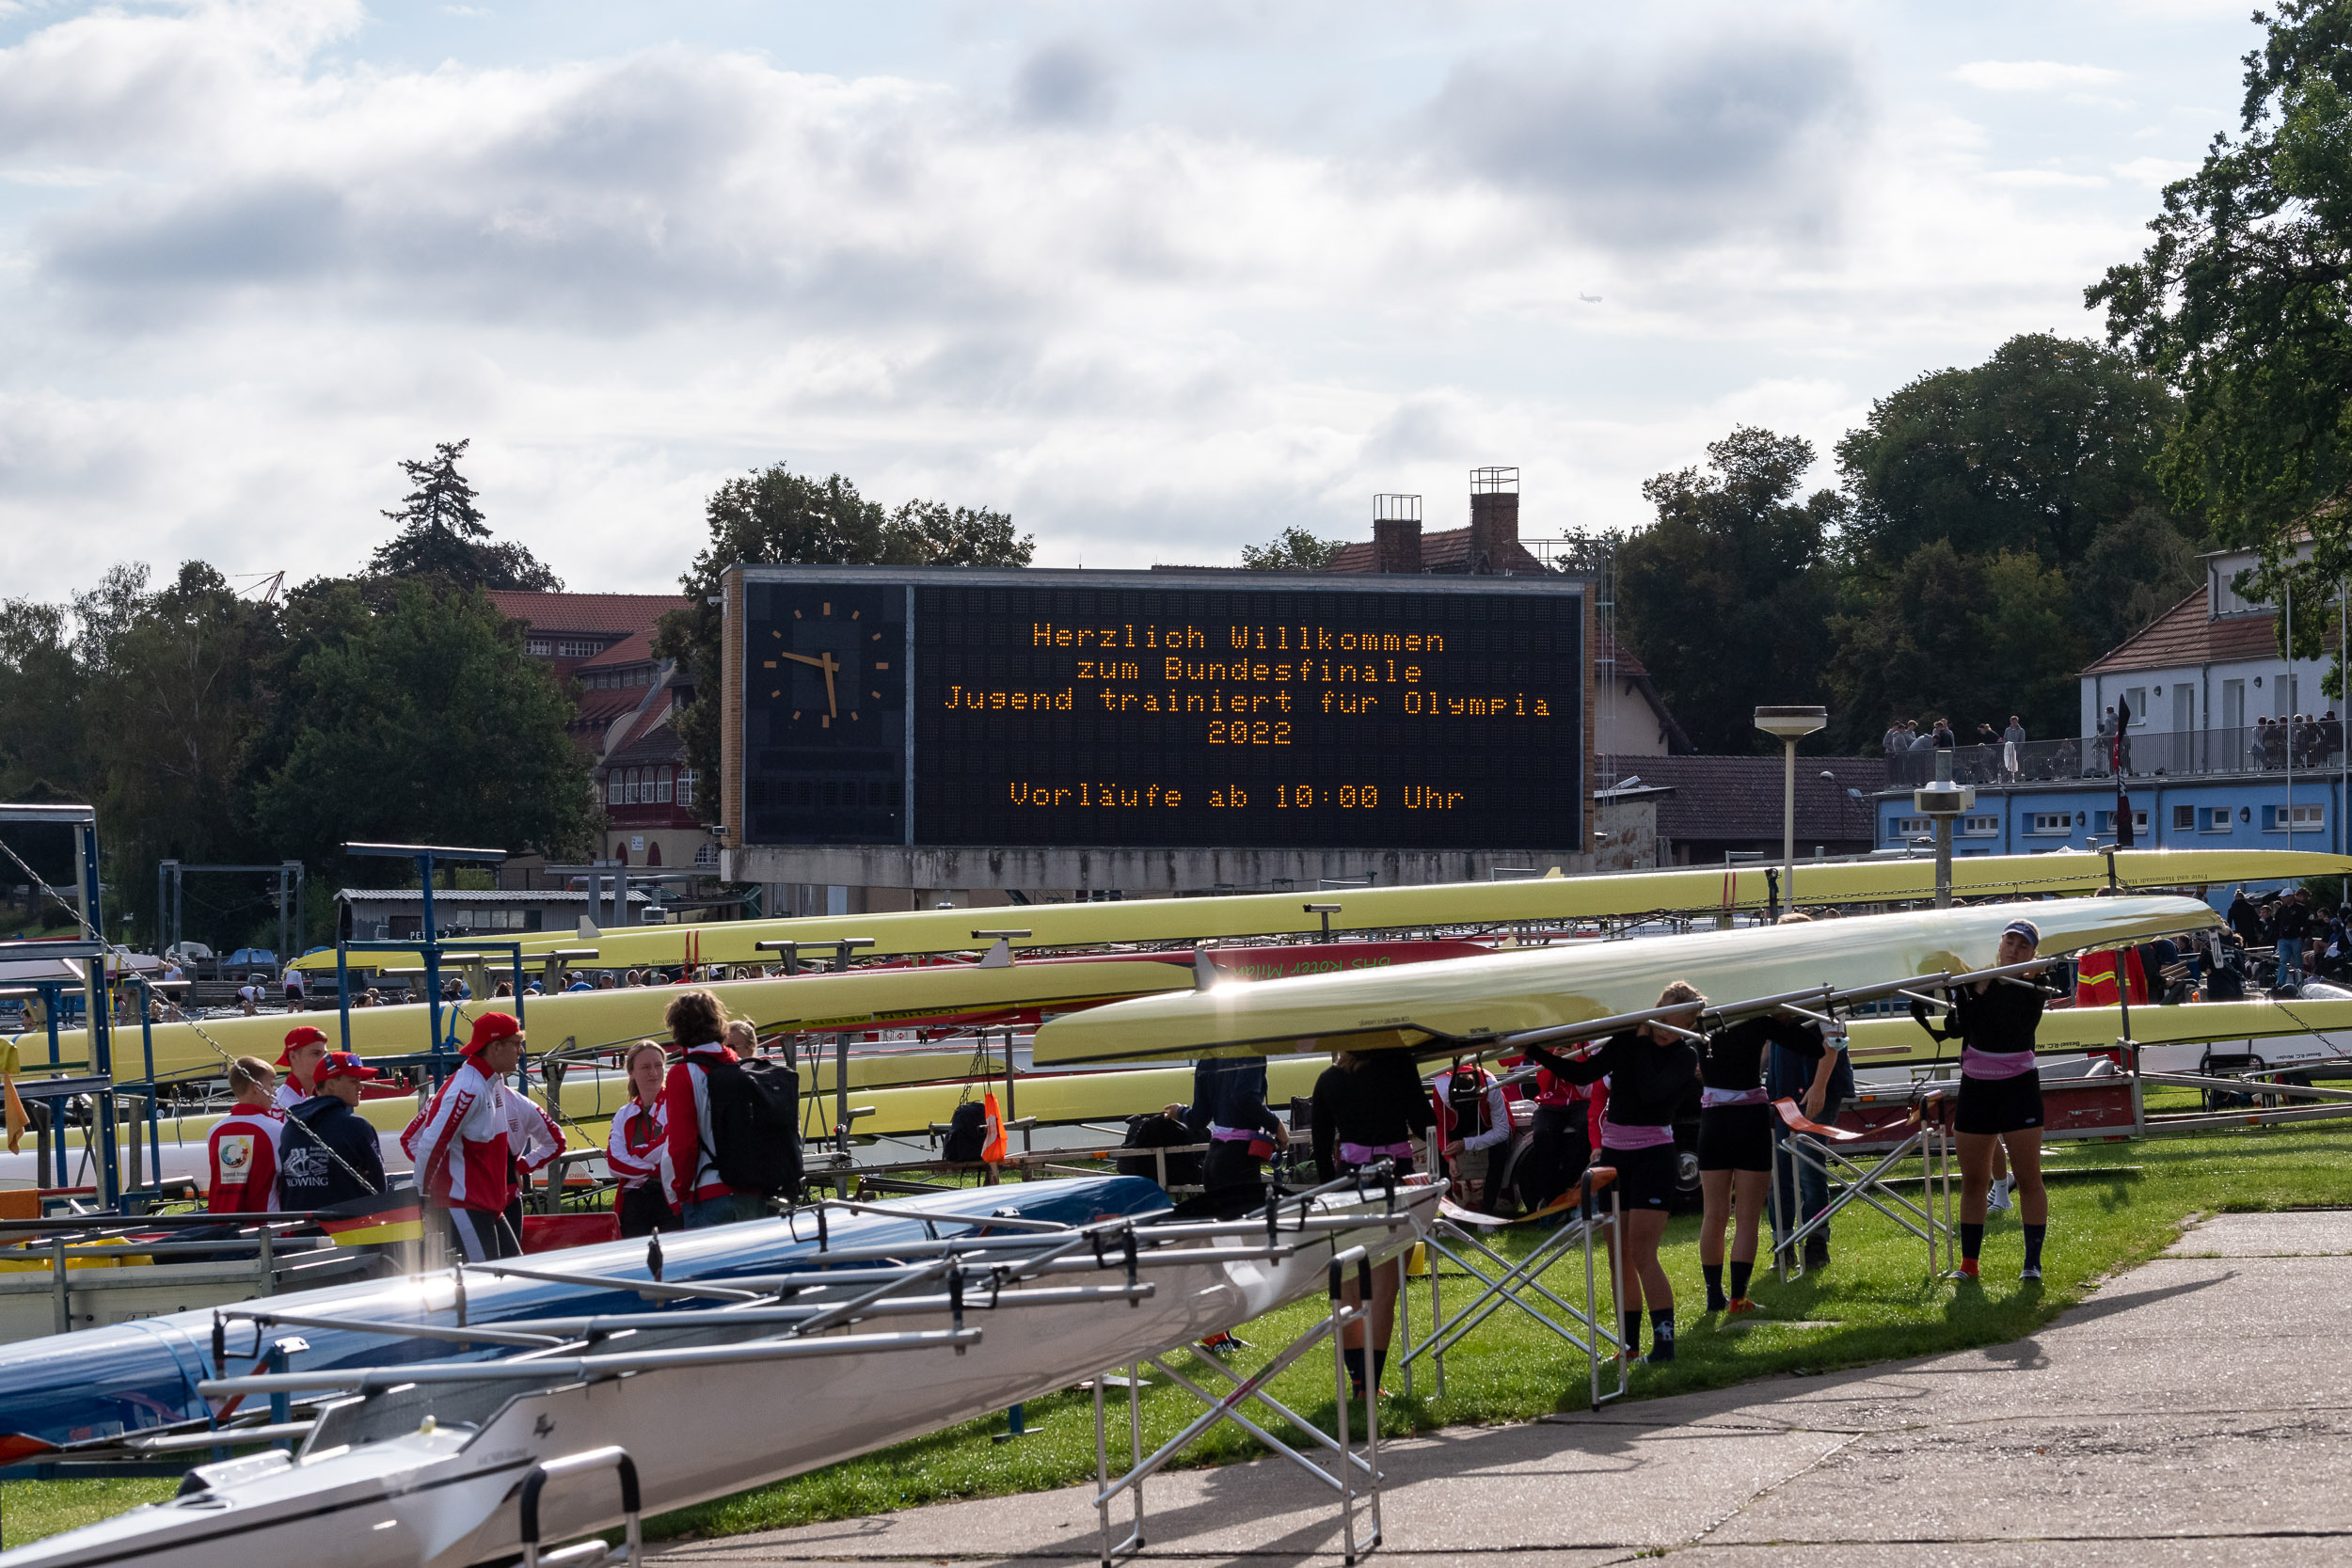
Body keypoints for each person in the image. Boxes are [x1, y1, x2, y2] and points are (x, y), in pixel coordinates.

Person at [1521, 982, 1706, 1364]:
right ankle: (1628, 1347)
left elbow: (1654, 1091)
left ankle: (1665, 1345)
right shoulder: (1628, 1040)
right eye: (1661, 1020)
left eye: (1674, 1024)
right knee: (1617, 1256)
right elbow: (1583, 1072)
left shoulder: (1685, 1056)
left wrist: (1638, 1043)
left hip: (1654, 1156)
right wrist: (1535, 1052)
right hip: (1614, 1156)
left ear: (1689, 1023)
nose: (1663, 1030)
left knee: (1642, 1253)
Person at [1909, 919, 2050, 1281]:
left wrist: (1989, 987)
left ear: (2033, 953)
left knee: (2028, 1176)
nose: (2014, 950)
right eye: (2010, 942)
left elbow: (2015, 1021)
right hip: (1977, 1085)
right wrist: (1969, 989)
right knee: (1973, 1179)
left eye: (2023, 946)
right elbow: (1960, 1027)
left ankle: (2031, 1263)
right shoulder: (1974, 981)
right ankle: (1968, 1265)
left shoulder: (2035, 985)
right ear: (1999, 944)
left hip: (2019, 1087)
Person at [1309, 1049, 1434, 1398]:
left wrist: (1327, 1196)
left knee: (1348, 1290)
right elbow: (1426, 1124)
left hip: (1345, 1188)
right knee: (1383, 1292)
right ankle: (1371, 1386)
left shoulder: (1329, 1079)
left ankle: (1359, 1383)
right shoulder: (1399, 1067)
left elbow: (1319, 1145)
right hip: (1393, 1184)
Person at [1695, 1012, 1834, 1312]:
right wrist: (1786, 1019)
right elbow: (1816, 1048)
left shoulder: (1699, 1022)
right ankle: (1738, 1298)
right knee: (1746, 1217)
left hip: (1713, 1121)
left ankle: (1713, 1297)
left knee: (1714, 1214)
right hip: (1750, 1121)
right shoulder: (1758, 1018)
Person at [404, 1011, 532, 1262]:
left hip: (487, 1204)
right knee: (484, 1284)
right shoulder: (468, 1088)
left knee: (515, 1273)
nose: (521, 1052)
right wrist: (419, 1200)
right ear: (495, 1048)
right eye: (517, 1045)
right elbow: (430, 1143)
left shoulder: (492, 1080)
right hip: (463, 1203)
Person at [662, 989, 768, 1227]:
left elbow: (683, 1145)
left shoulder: (682, 1073)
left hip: (707, 1191)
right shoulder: (745, 1067)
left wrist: (681, 1191)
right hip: (752, 1189)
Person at [278, 1052, 389, 1209]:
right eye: (353, 1081)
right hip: (346, 1228)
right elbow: (379, 1187)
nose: (361, 1086)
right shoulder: (356, 1126)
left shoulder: (291, 1125)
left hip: (298, 1229)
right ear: (330, 1084)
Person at [1177, 1053, 1289, 1192]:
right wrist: (1276, 1126)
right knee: (1248, 1211)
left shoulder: (1206, 1058)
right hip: (1239, 1159)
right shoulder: (1251, 1051)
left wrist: (1180, 1111)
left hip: (1213, 1158)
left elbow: (1199, 1119)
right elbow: (1245, 1098)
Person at [607, 1040, 678, 1237]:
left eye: (658, 1066)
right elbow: (614, 1163)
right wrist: (654, 1167)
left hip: (671, 1197)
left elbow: (671, 1147)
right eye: (645, 1067)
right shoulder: (624, 1114)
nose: (653, 1073)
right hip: (634, 1200)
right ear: (631, 1072)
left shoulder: (676, 1104)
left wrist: (635, 1155)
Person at [1430, 1056, 1510, 1212]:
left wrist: (1466, 1143)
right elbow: (1440, 1129)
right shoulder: (1440, 1090)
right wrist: (1450, 1158)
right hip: (1457, 1124)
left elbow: (1502, 1131)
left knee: (1501, 1149)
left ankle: (1487, 1212)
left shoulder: (1491, 1087)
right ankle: (1449, 1214)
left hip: (1488, 1121)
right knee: (1438, 1151)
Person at [206, 1055, 284, 1214]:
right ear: (256, 1087)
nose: (275, 1093)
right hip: (267, 1228)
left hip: (221, 1228)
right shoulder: (276, 1130)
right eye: (271, 1085)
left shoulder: (214, 1131)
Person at [1518, 1054, 1595, 1213]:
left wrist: (1575, 1062)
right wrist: (1556, 1060)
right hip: (1550, 1104)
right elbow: (1546, 1085)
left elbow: (1588, 1086)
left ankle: (1572, 1178)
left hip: (1581, 1101)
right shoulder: (1548, 1050)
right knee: (1542, 1133)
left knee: (1587, 1125)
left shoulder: (1585, 1048)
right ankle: (1551, 1195)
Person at [275, 1024, 329, 1113]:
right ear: (293, 1056)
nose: (324, 1060)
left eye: (325, 1054)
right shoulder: (279, 1105)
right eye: (316, 1053)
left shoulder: (326, 1096)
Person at [2274, 889, 2312, 990]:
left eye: (2285, 896)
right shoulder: (2281, 910)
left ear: (2291, 896)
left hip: (2295, 939)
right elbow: (2276, 924)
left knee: (2298, 963)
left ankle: (2299, 984)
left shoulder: (2301, 909)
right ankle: (2280, 984)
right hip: (2283, 940)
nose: (2282, 898)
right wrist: (2278, 937)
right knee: (2283, 962)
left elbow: (2307, 924)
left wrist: (2301, 936)